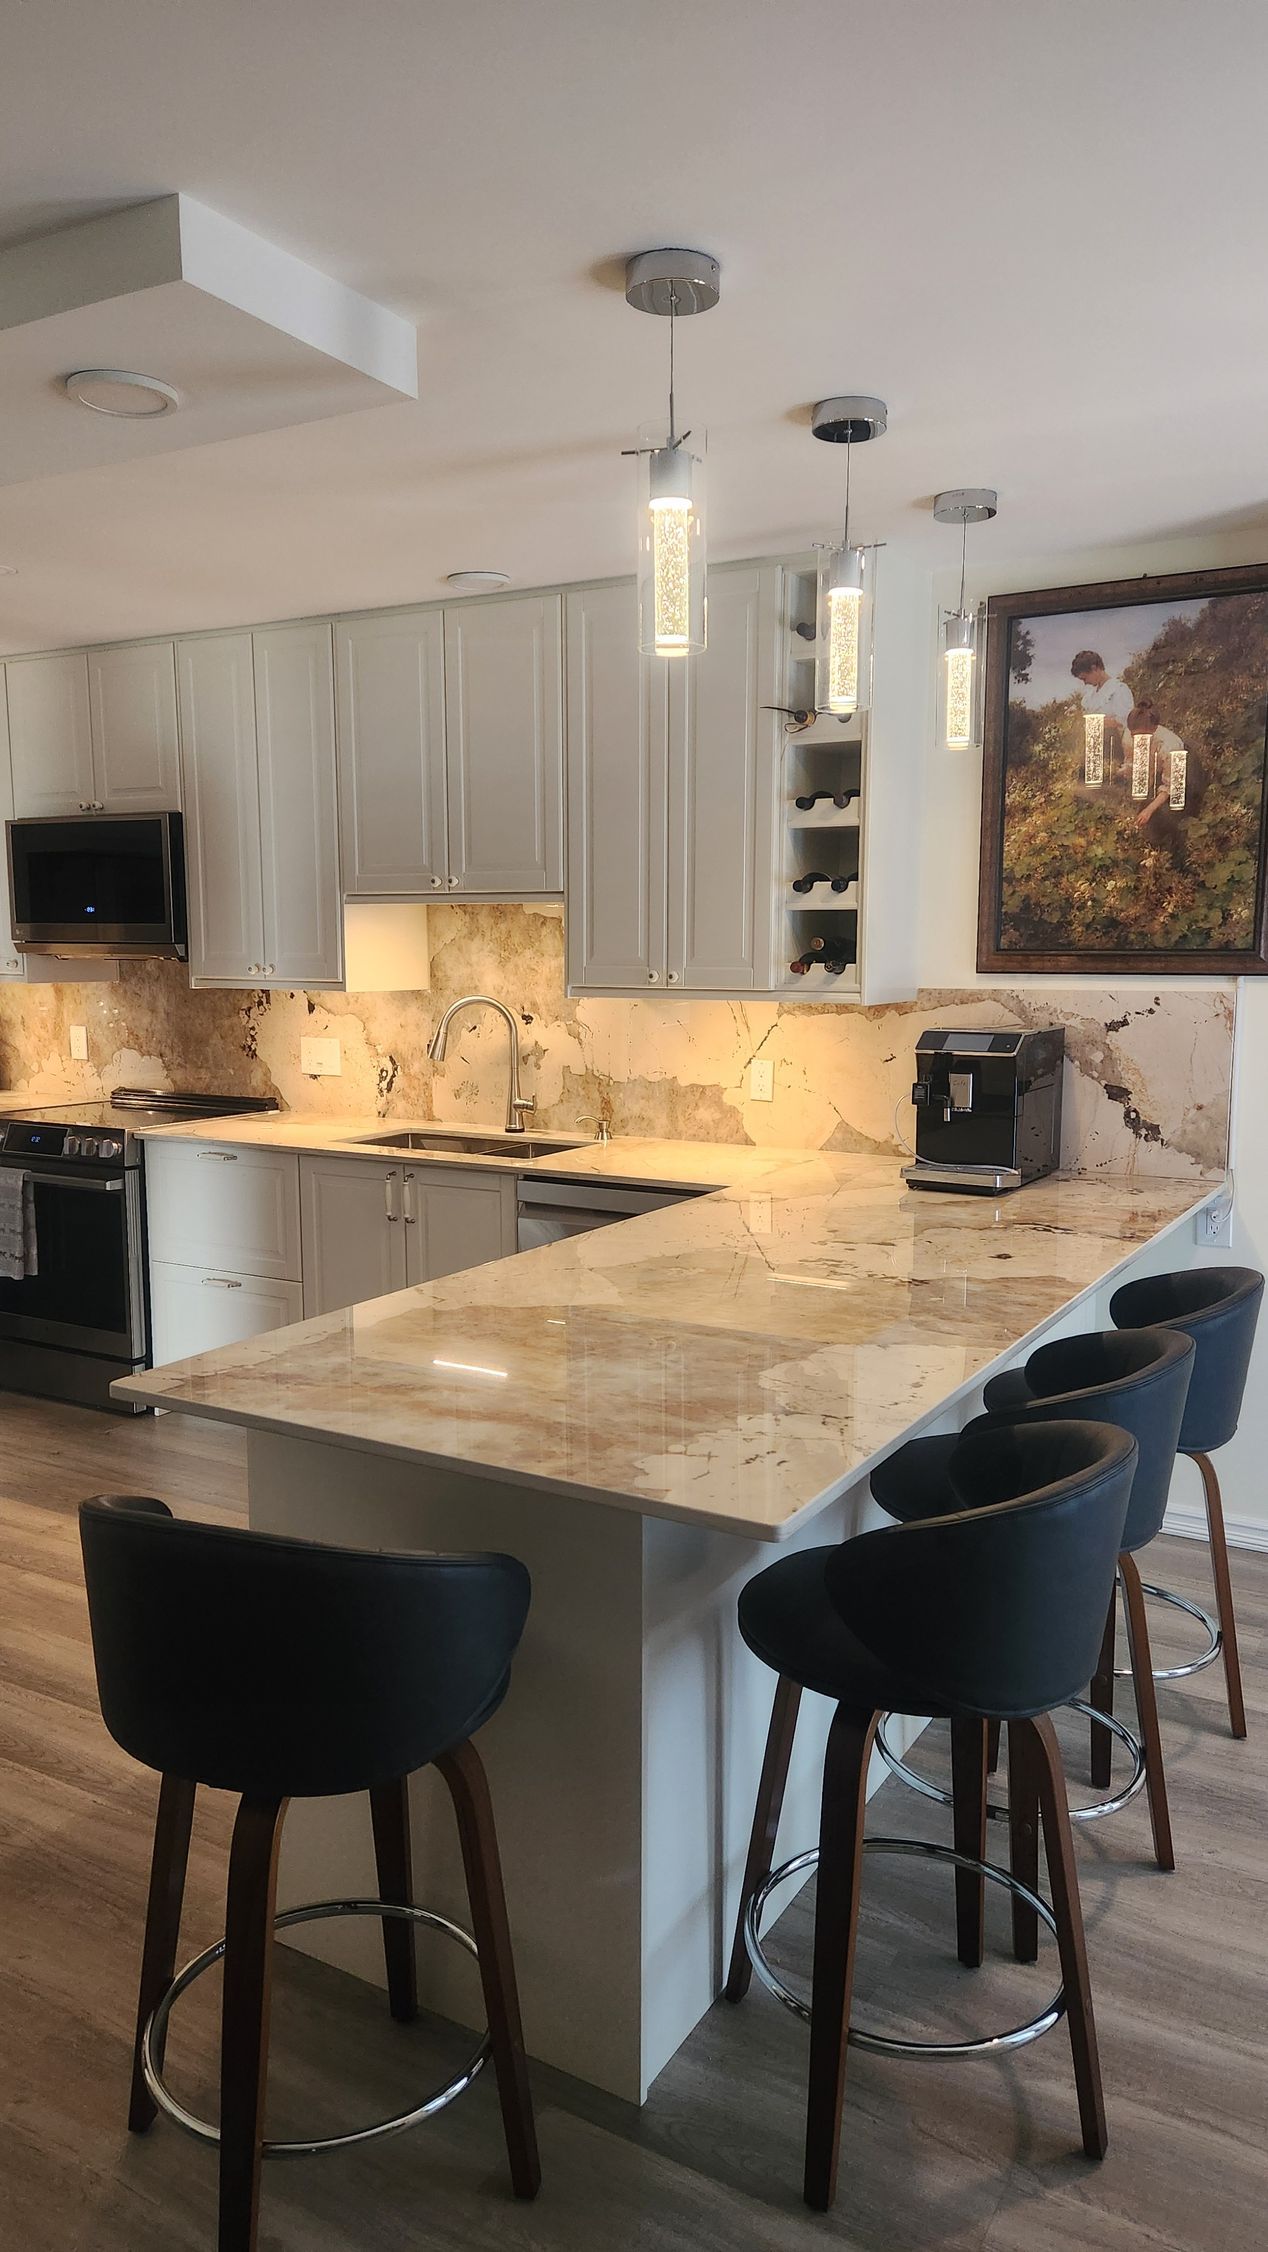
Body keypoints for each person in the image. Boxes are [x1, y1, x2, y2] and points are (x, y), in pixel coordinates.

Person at [1123, 698, 1205, 868]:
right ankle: (1151, 853)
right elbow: (1137, 764)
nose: (1138, 741)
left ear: (1153, 729)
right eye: (1134, 736)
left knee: (1174, 811)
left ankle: (1178, 860)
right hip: (1160, 771)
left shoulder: (1170, 746)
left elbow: (1170, 785)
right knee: (1147, 809)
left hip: (1182, 771)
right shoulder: (1129, 736)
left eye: (1142, 736)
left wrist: (1149, 809)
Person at [1071, 649, 1135, 782]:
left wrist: (1097, 721)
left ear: (1095, 669)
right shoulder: (1091, 694)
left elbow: (1125, 721)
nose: (1085, 682)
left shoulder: (1118, 690)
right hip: (1094, 742)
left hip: (1114, 742)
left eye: (1085, 678)